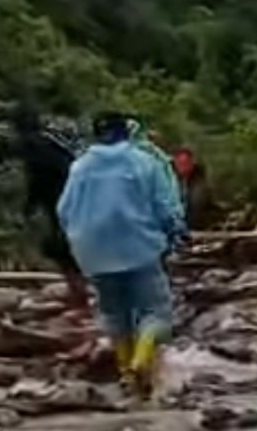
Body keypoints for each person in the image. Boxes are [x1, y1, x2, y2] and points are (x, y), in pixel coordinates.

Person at [57, 112, 188, 398]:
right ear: (126, 133)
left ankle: (127, 374)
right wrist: (176, 232)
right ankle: (141, 363)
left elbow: (64, 211)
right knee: (155, 311)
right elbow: (166, 207)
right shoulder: (144, 162)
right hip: (139, 247)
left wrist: (81, 241)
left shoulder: (80, 167)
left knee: (114, 313)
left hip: (93, 253)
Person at [11, 104, 88, 315]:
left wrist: (29, 207)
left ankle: (80, 294)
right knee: (64, 247)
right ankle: (80, 292)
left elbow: (37, 179)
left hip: (61, 200)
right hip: (73, 198)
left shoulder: (32, 145)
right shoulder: (52, 142)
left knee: (60, 248)